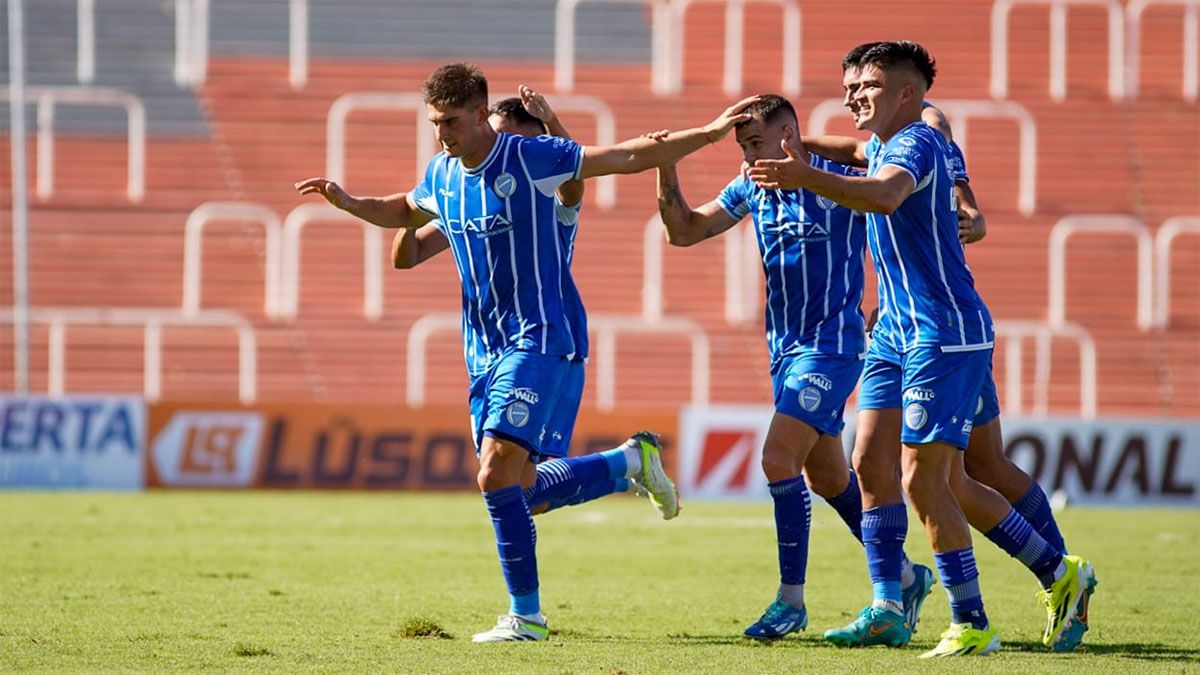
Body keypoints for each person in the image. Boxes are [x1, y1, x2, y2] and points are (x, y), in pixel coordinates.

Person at [296, 62, 759, 643]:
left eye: (453, 122)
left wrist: (713, 132)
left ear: (481, 114)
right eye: (436, 123)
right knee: (520, 491)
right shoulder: (442, 174)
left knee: (493, 476)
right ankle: (626, 464)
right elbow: (402, 216)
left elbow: (623, 156)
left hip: (540, 339)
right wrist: (348, 201)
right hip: (481, 353)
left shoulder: (530, 159)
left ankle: (527, 617)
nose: (443, 135)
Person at [748, 41, 1091, 658]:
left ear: (908, 93)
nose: (853, 95)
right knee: (874, 467)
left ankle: (976, 616)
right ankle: (892, 603)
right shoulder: (883, 140)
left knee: (927, 480)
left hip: (944, 332)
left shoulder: (915, 141)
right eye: (848, 84)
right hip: (893, 333)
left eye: (867, 85)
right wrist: (801, 150)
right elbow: (858, 153)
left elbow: (882, 193)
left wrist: (799, 172)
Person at [651, 94, 935, 641]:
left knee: (777, 458)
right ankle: (904, 574)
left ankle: (791, 601)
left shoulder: (836, 180)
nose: (749, 155)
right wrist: (666, 167)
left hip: (834, 346)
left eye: (755, 143)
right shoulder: (752, 187)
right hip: (785, 351)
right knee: (826, 476)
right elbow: (684, 230)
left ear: (790, 134)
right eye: (742, 146)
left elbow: (897, 209)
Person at [391, 86, 650, 516]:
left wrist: (552, 122)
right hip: (499, 342)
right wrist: (414, 209)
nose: (497, 148)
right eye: (493, 135)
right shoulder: (470, 193)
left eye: (509, 137)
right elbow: (408, 256)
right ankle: (629, 461)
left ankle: (629, 462)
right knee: (520, 492)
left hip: (551, 339)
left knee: (506, 482)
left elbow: (574, 178)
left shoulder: (547, 192)